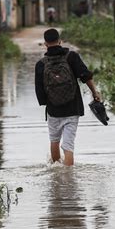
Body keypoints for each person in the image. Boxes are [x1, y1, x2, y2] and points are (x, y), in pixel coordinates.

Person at [35, 28, 101, 166]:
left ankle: (57, 177)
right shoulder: (72, 57)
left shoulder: (41, 64)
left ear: (45, 44)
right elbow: (86, 76)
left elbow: (40, 94)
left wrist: (49, 102)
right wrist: (95, 93)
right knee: (68, 145)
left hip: (54, 110)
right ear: (60, 41)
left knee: (54, 140)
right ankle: (68, 180)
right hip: (72, 107)